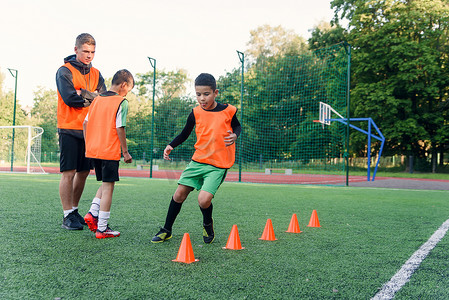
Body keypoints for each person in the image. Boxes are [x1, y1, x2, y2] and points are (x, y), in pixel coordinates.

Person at [151, 73, 242, 244]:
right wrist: (171, 145)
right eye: (198, 94)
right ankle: (166, 230)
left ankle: (207, 223)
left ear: (215, 92)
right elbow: (185, 133)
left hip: (218, 164)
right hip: (198, 161)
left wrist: (235, 136)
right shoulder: (195, 113)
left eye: (206, 94)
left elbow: (237, 126)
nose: (202, 98)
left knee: (204, 199)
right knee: (179, 194)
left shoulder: (228, 110)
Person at [56, 33, 106, 230]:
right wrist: (91, 97)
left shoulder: (96, 74)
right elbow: (70, 99)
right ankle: (67, 214)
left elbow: (101, 100)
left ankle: (75, 210)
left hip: (89, 129)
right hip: (68, 128)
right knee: (68, 172)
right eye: (85, 51)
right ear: (76, 49)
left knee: (84, 172)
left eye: (92, 52)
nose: (89, 55)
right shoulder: (64, 71)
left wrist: (83, 94)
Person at [83, 69, 134, 239]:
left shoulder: (96, 100)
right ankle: (102, 228)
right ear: (123, 85)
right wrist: (125, 152)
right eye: (128, 89)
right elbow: (120, 127)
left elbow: (85, 124)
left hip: (94, 150)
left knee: (106, 184)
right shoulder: (121, 102)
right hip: (109, 150)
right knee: (109, 188)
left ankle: (92, 213)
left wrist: (88, 144)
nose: (127, 93)